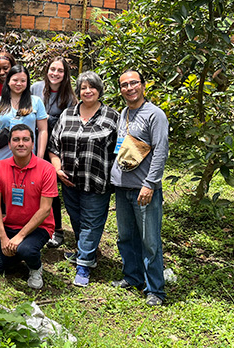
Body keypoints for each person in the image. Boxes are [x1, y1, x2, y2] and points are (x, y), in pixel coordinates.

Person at [49, 71, 119, 287]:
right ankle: (85, 252)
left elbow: (120, 151)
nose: (87, 91)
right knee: (77, 219)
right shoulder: (67, 114)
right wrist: (58, 170)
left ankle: (84, 265)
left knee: (91, 222)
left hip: (97, 181)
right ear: (77, 91)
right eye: (83, 88)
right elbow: (54, 147)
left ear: (100, 90)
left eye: (92, 87)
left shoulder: (112, 116)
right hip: (69, 180)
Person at [110, 69, 169, 306]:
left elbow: (161, 152)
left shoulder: (155, 115)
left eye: (134, 83)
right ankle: (132, 277)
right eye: (124, 85)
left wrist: (150, 184)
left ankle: (155, 289)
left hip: (144, 189)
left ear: (143, 86)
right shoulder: (124, 112)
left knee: (150, 241)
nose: (129, 88)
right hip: (122, 186)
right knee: (126, 236)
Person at [0, 124, 58, 289]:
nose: (21, 143)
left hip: (39, 227)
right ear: (9, 144)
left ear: (33, 144)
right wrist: (4, 238)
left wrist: (20, 237)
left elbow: (45, 209)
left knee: (26, 250)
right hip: (9, 225)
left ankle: (35, 267)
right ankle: (17, 250)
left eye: (26, 139)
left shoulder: (46, 169)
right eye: (16, 140)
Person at [32, 57, 78, 249]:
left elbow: (69, 125)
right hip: (32, 144)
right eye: (52, 69)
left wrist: (49, 120)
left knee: (51, 190)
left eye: (60, 71)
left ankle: (57, 229)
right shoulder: (35, 88)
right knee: (31, 187)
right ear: (47, 70)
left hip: (54, 150)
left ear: (65, 74)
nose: (55, 73)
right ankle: (33, 224)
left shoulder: (69, 97)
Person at [0, 65, 48, 167]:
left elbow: (43, 131)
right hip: (3, 157)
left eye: (23, 81)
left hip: (29, 158)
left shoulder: (36, 102)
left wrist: (40, 158)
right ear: (8, 81)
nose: (19, 84)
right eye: (15, 80)